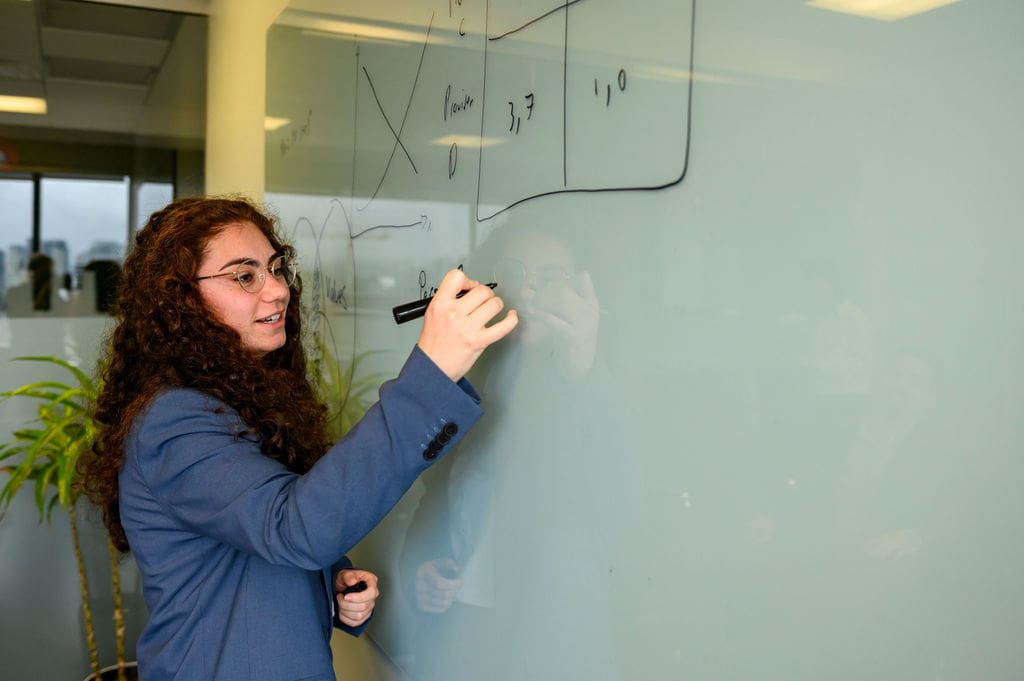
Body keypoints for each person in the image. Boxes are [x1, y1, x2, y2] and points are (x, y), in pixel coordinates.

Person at [77, 196, 517, 681]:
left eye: (276, 268)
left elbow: (250, 531)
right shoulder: (174, 419)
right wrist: (433, 371)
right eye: (245, 276)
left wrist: (331, 582)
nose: (278, 290)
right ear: (180, 300)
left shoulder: (238, 397)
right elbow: (296, 528)